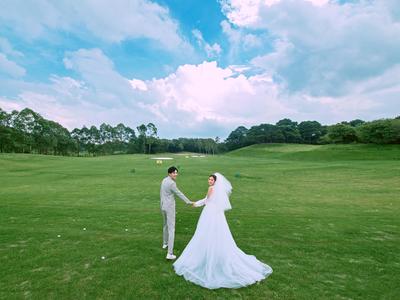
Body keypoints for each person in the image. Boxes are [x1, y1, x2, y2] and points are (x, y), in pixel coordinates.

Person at [173, 173, 273, 289]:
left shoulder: (211, 189)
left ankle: (208, 253)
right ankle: (214, 251)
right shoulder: (218, 190)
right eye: (209, 179)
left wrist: (196, 204)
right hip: (217, 214)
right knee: (217, 233)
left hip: (210, 213)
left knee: (205, 232)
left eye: (211, 179)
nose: (209, 181)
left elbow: (207, 200)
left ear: (215, 181)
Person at [160, 166, 193, 260]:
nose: (176, 174)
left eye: (176, 173)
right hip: (169, 207)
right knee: (171, 229)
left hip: (163, 206)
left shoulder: (164, 180)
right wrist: (188, 201)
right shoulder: (171, 183)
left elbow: (161, 194)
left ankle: (165, 243)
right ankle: (169, 253)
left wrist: (162, 204)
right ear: (169, 173)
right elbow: (179, 193)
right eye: (174, 173)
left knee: (165, 225)